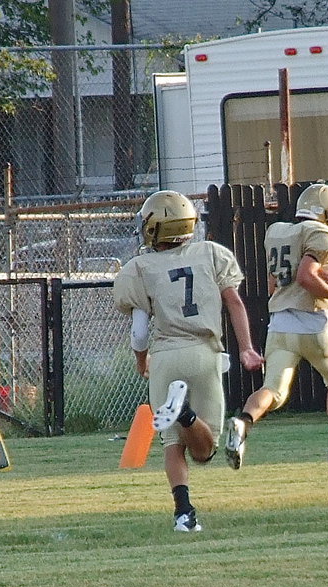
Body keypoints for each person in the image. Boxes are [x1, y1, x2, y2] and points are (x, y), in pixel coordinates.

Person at [113, 190, 263, 532]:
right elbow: (235, 304)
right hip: (203, 352)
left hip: (165, 356)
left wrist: (141, 361)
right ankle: (187, 414)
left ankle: (184, 513)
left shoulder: (141, 267)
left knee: (172, 444)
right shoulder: (211, 254)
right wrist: (246, 348)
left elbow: (139, 331)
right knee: (204, 450)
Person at [223, 182, 328, 471]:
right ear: (327, 213)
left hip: (279, 324)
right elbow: (305, 276)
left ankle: (243, 422)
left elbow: (275, 282)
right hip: (312, 323)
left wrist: (325, 274)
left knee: (273, 390)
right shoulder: (321, 234)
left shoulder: (278, 232)